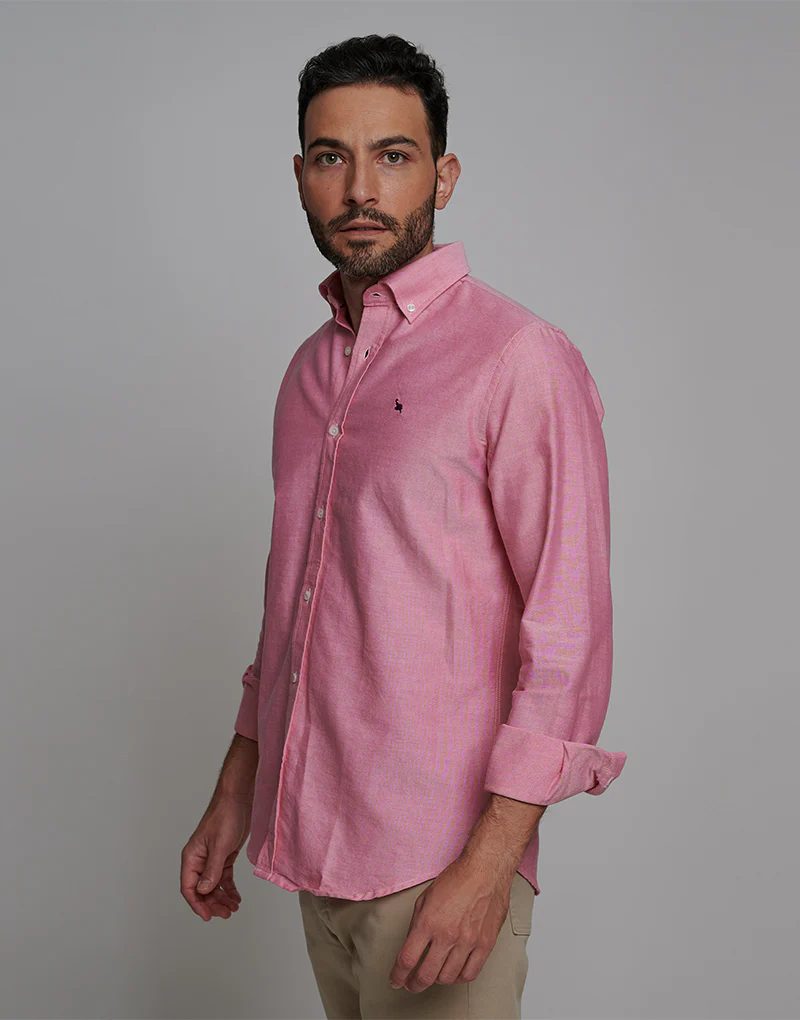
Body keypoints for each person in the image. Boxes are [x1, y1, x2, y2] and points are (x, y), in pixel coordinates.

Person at [181, 32, 627, 1020]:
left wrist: (490, 865)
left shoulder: (518, 358)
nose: (359, 189)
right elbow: (293, 610)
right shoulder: (309, 374)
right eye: (330, 157)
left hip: (439, 868)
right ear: (300, 178)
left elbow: (567, 636)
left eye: (392, 154)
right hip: (314, 847)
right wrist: (234, 792)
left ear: (443, 175)